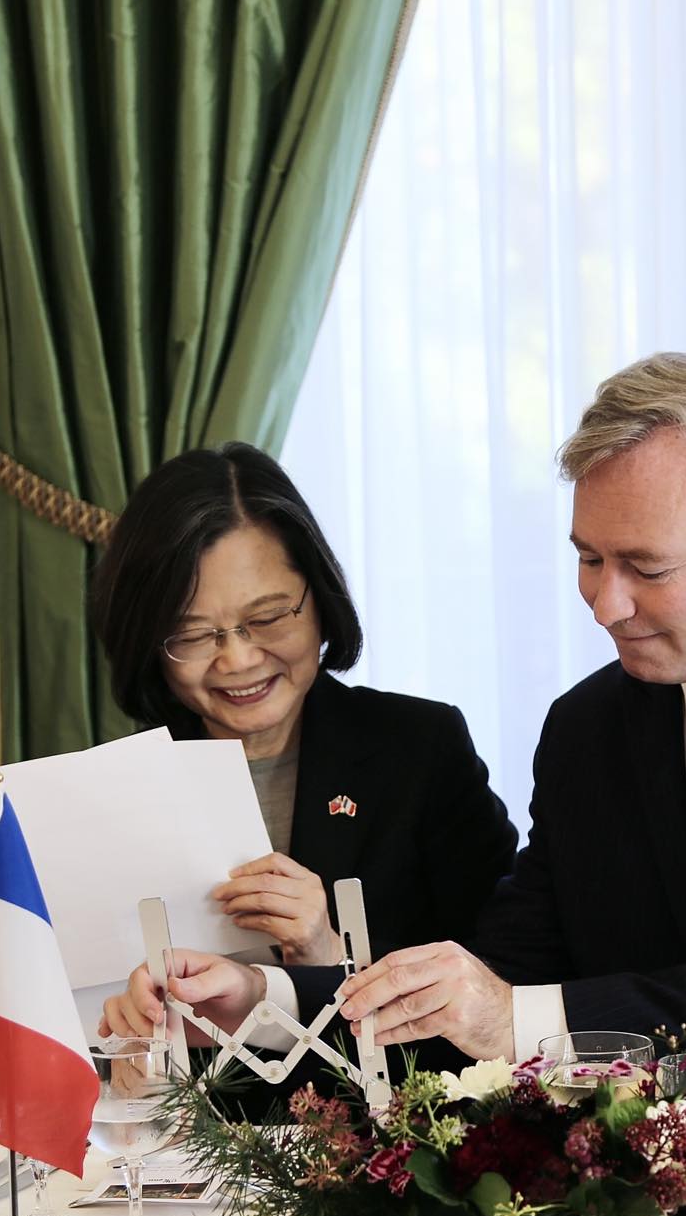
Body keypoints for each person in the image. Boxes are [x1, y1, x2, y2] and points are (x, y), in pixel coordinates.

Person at [138, 354, 686, 1124]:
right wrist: (266, 998)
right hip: (629, 1205)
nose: (605, 604)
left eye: (644, 567)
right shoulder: (587, 727)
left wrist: (510, 1018)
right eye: (589, 558)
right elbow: (498, 974)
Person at [91, 443, 516, 1048]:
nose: (238, 659)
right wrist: (126, 1032)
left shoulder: (421, 751)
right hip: (184, 1135)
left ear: (320, 598)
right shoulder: (112, 788)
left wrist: (325, 951)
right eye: (191, 634)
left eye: (266, 619)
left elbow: (503, 992)